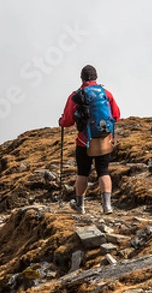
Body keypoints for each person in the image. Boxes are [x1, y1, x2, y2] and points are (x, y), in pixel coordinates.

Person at [59, 65, 120, 215]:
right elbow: (116, 115)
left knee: (83, 173)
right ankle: (107, 207)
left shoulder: (76, 95)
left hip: (84, 141)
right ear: (96, 77)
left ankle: (80, 206)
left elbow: (67, 121)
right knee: (103, 172)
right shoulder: (106, 93)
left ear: (82, 78)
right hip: (104, 139)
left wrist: (61, 121)